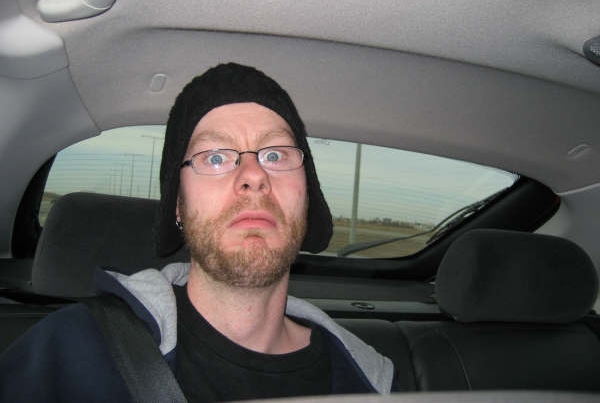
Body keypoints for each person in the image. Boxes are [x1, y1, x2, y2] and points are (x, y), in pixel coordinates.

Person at [0, 63, 396, 401]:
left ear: (306, 195)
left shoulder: (371, 382)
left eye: (275, 154)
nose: (254, 176)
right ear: (178, 205)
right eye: (216, 157)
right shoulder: (70, 352)